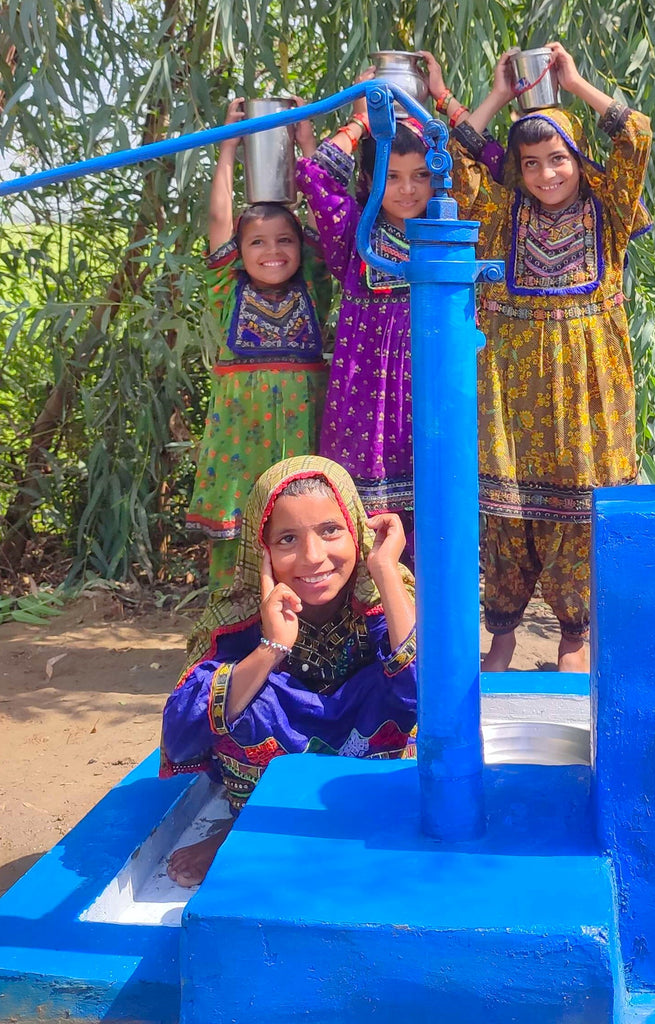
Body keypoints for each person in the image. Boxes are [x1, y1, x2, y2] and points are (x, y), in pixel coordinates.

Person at [436, 42, 652, 672]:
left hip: (590, 403)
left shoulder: (608, 214)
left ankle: (574, 643)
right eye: (531, 163)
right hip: (511, 402)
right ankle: (500, 641)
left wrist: (575, 82)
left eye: (558, 159)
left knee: (582, 520)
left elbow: (634, 135)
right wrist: (499, 94)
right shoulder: (502, 219)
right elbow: (455, 157)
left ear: (579, 159)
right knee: (506, 519)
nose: (546, 174)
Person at [161, 455, 417, 887]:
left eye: (331, 531)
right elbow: (181, 729)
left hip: (367, 752)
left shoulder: (383, 595)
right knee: (247, 695)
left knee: (395, 678)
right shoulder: (237, 613)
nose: (313, 558)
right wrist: (271, 647)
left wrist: (385, 570)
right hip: (273, 775)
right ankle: (244, 827)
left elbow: (430, 694)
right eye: (287, 540)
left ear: (357, 529)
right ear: (259, 550)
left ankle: (366, 821)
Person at [186, 98, 333, 589]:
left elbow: (322, 213)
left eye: (284, 241)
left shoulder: (313, 280)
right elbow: (219, 217)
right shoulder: (230, 286)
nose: (272, 252)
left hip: (302, 422)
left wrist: (305, 140)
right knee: (242, 525)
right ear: (239, 252)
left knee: (305, 516)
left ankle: (306, 621)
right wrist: (227, 148)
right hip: (240, 431)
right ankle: (237, 623)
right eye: (257, 243)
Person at [295, 68, 436, 564]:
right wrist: (360, 119)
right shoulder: (356, 234)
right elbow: (313, 174)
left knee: (431, 513)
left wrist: (439, 99)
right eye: (391, 176)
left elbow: (487, 169)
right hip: (365, 398)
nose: (406, 189)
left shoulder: (448, 233)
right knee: (363, 519)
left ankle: (422, 630)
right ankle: (369, 623)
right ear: (370, 179)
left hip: (429, 390)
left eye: (420, 176)